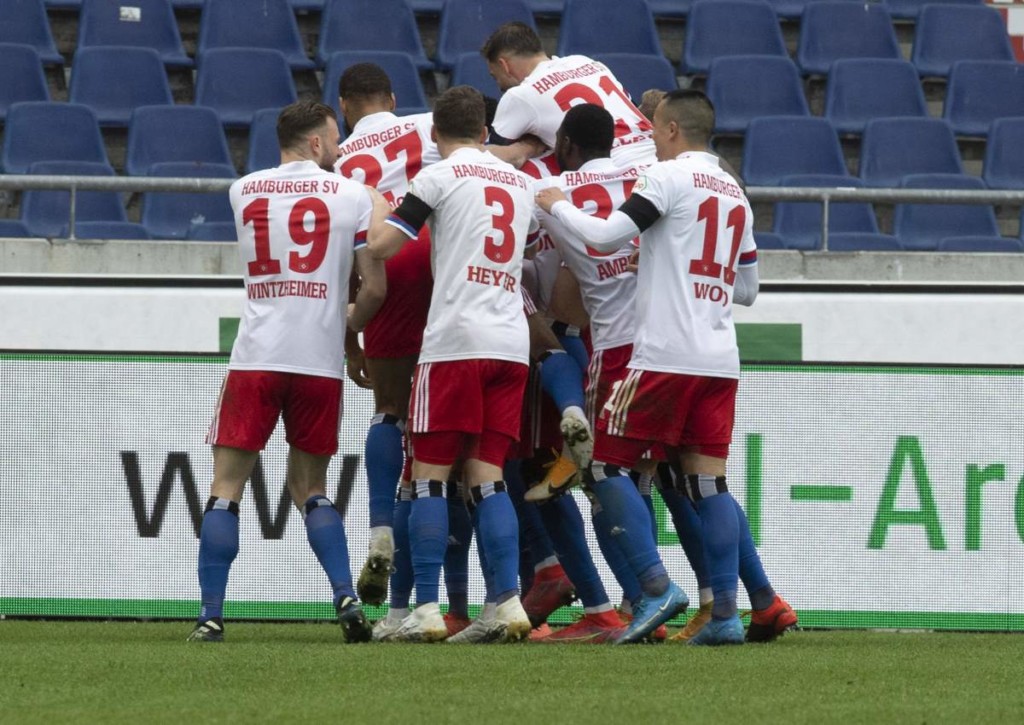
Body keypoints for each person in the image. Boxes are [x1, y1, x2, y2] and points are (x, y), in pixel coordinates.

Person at [536, 89, 758, 645]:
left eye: (656, 127)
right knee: (709, 484)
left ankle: (657, 588)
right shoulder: (735, 191)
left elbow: (608, 233)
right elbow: (748, 289)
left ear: (675, 130)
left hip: (661, 354)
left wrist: (554, 202)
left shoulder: (667, 178)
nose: (650, 138)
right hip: (720, 358)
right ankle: (727, 615)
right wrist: (670, 256)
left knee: (604, 468)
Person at [335, 64, 553, 611]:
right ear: (484, 131)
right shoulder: (514, 179)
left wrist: (379, 211)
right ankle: (499, 602)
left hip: (434, 302)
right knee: (485, 474)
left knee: (413, 445)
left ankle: (414, 592)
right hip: (505, 334)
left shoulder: (346, 162)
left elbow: (380, 247)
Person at [189, 100, 386, 643]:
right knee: (312, 489)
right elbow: (382, 217)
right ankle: (346, 596)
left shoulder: (243, 189)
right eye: (336, 140)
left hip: (255, 359)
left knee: (226, 488)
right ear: (318, 144)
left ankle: (210, 614)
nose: (341, 149)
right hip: (318, 364)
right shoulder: (349, 193)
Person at [481, 21, 654, 166]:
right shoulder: (585, 61)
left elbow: (487, 159)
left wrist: (528, 147)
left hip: (618, 168)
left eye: (495, 77)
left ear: (504, 65)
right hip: (658, 154)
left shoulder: (519, 95)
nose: (500, 86)